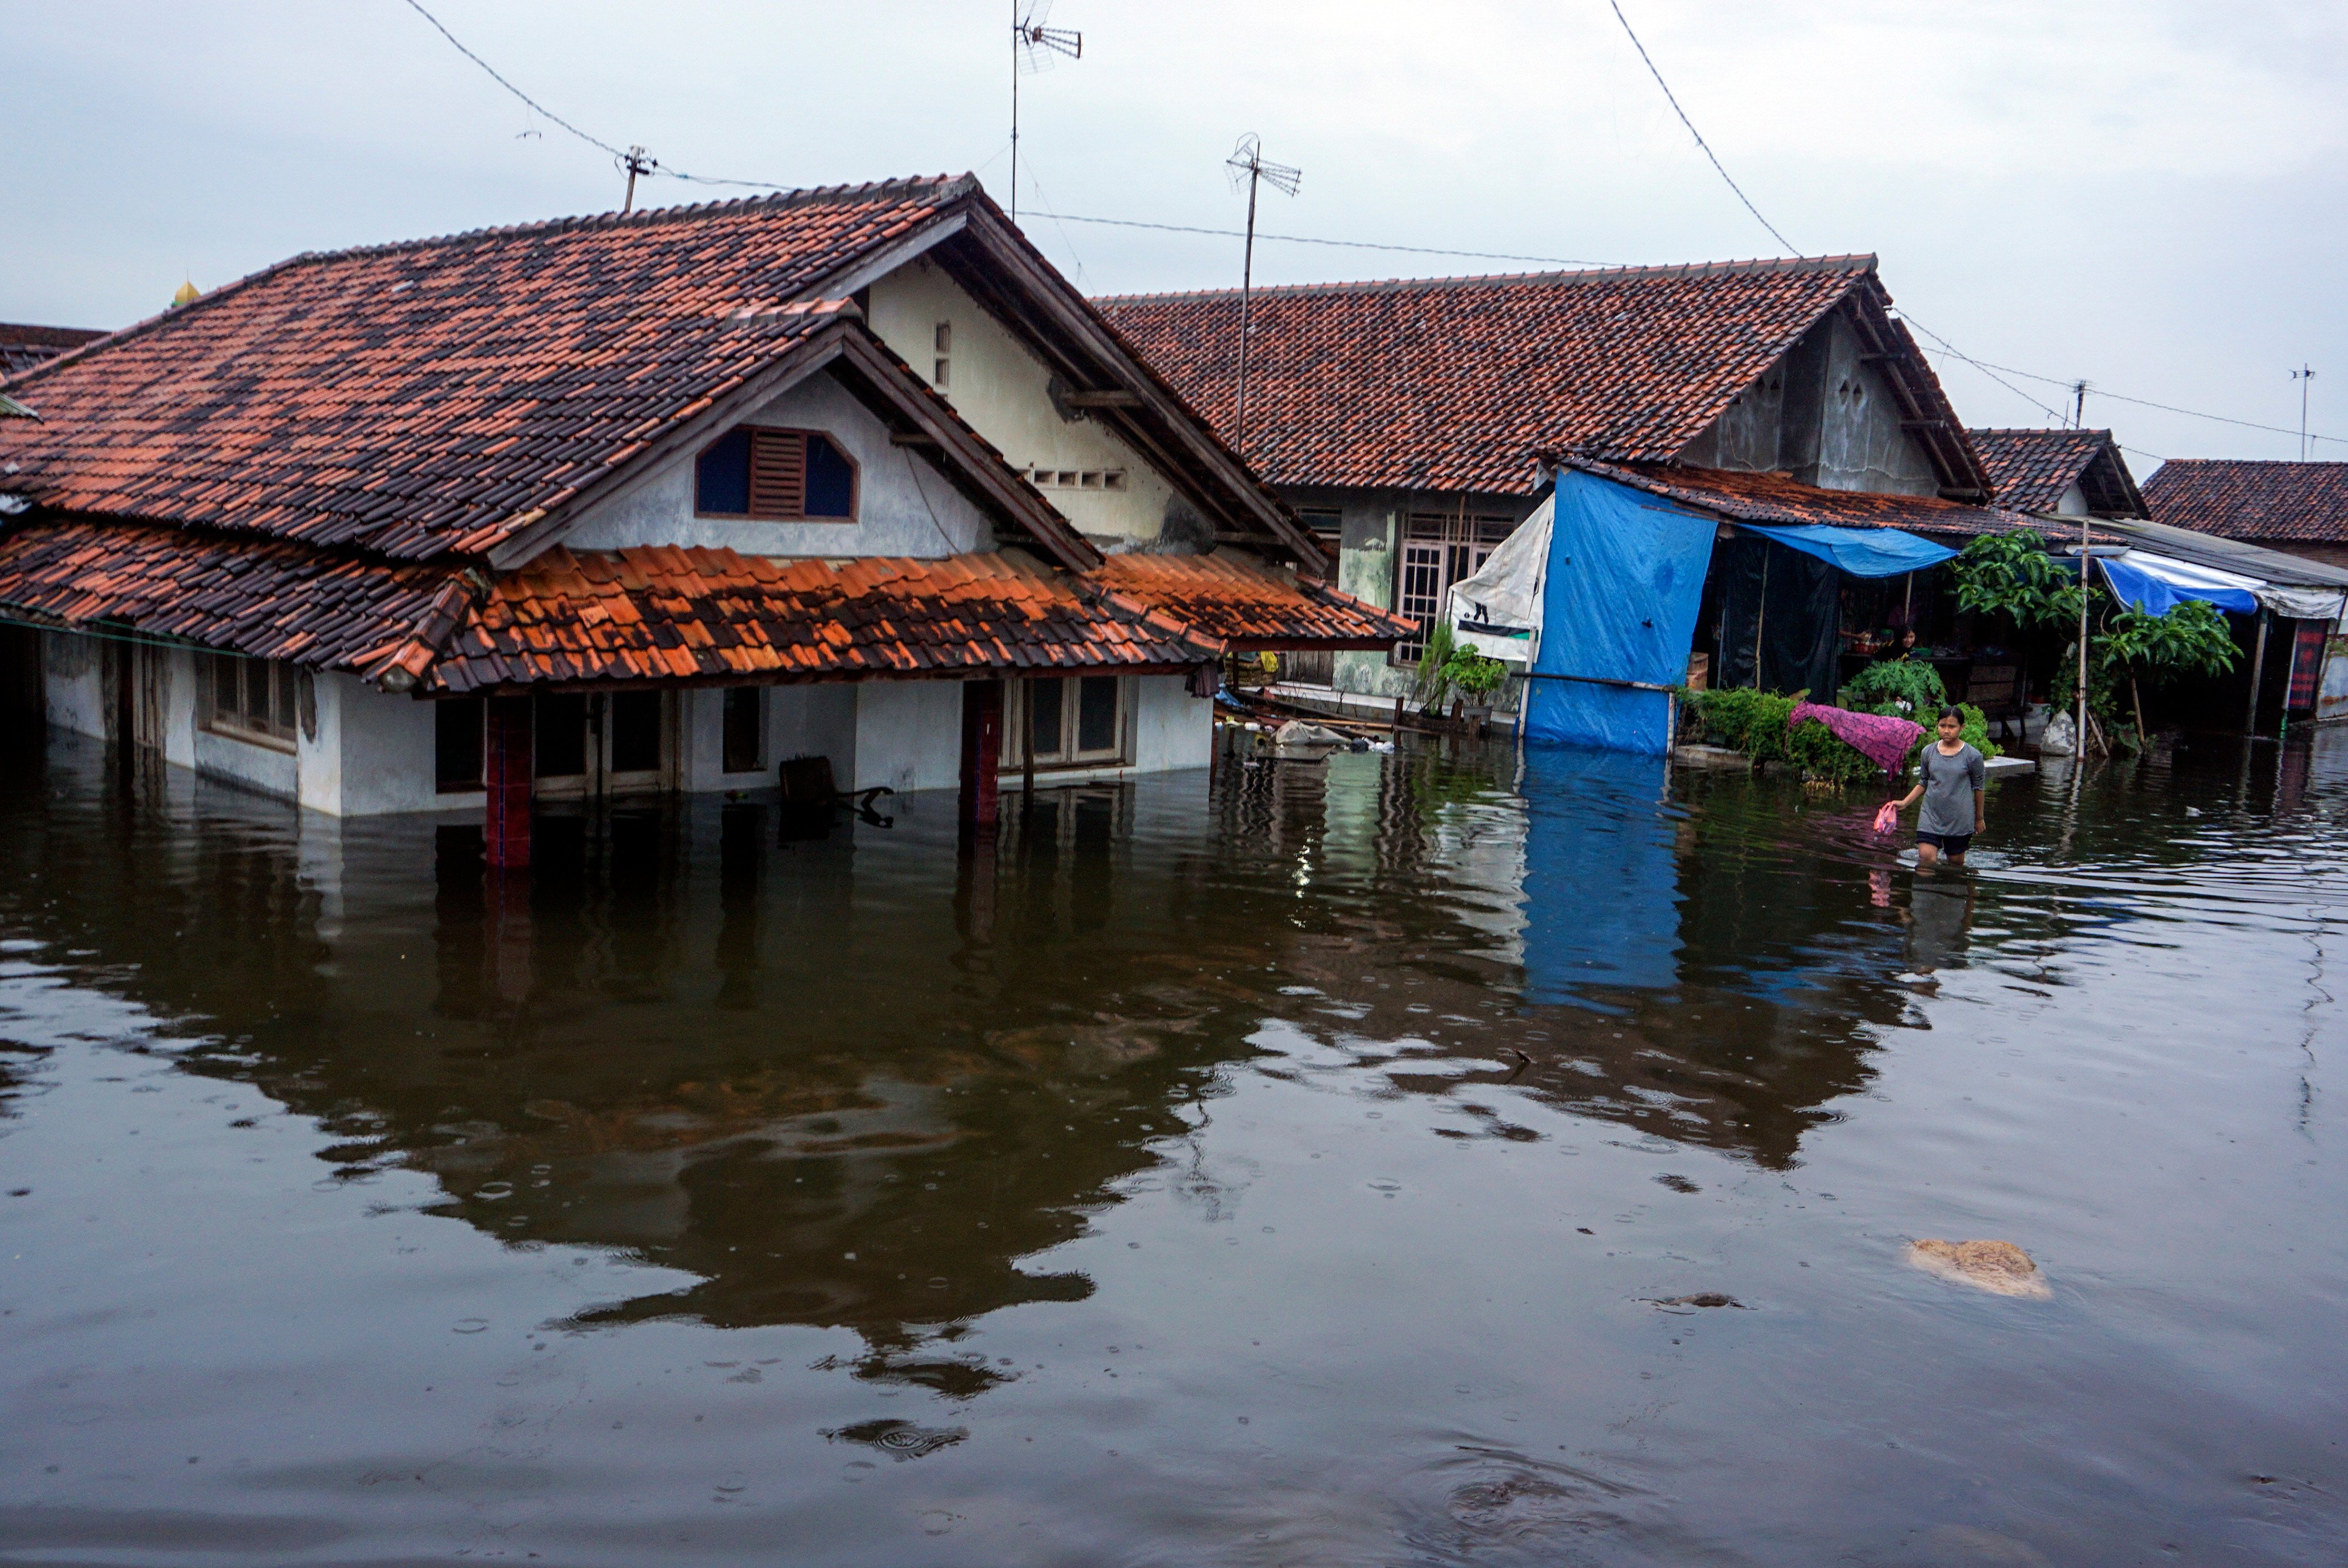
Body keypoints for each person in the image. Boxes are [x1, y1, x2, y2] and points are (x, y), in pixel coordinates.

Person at [1891, 706, 1986, 867]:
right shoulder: (1928, 752)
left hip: (1959, 818)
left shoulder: (1973, 756)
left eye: (1952, 727)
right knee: (1926, 860)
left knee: (1955, 865)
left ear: (1962, 727)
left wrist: (1979, 818)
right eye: (1943, 726)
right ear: (1937, 726)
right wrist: (1905, 803)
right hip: (1931, 815)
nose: (1947, 731)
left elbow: (1979, 788)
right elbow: (1924, 781)